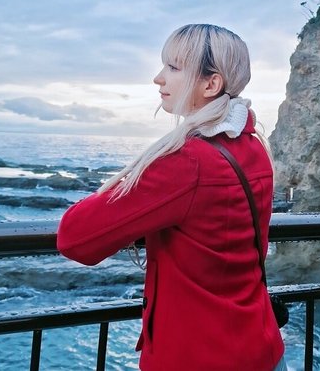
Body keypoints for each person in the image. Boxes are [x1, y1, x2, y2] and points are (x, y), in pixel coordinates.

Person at [57, 23, 286, 371]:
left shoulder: (187, 161)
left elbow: (74, 238)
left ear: (211, 84)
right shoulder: (253, 146)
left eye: (174, 67)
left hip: (197, 359)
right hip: (261, 348)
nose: (158, 78)